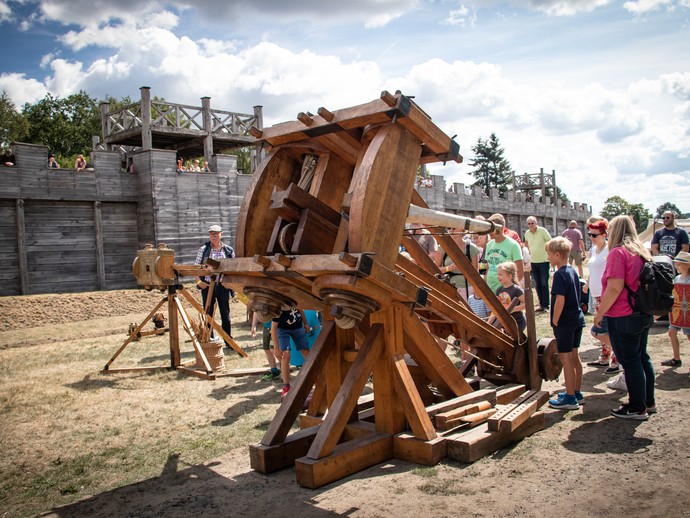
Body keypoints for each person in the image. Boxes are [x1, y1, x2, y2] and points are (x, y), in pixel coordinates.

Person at [594, 215, 655, 420]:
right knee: (642, 357)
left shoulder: (618, 253)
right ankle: (648, 401)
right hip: (642, 312)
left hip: (623, 314)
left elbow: (615, 287)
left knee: (630, 361)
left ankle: (637, 407)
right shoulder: (641, 252)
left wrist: (600, 312)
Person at [546, 237, 586, 410]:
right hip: (577, 319)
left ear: (557, 254)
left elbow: (559, 301)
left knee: (565, 358)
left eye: (548, 254)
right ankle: (576, 391)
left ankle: (570, 398)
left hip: (565, 322)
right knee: (574, 356)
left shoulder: (558, 275)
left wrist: (555, 320)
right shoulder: (573, 271)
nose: (547, 257)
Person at [583, 219, 620, 375]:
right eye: (590, 234)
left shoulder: (609, 250)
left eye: (594, 235)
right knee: (603, 327)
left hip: (605, 294)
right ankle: (605, 356)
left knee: (601, 330)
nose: (591, 237)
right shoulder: (593, 250)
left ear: (605, 235)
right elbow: (593, 269)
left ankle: (617, 357)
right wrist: (587, 284)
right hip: (595, 293)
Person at [194, 224, 235, 349]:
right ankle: (209, 339)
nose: (214, 236)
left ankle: (228, 341)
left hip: (222, 285)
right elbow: (196, 267)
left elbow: (234, 268)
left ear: (221, 234)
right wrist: (199, 282)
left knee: (225, 314)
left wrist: (231, 284)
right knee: (208, 313)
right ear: (209, 235)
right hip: (207, 285)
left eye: (216, 234)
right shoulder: (204, 249)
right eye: (212, 234)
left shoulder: (228, 250)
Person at [271, 307, 312, 399]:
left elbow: (300, 308)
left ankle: (315, 376)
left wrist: (305, 323)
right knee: (285, 355)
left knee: (306, 352)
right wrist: (276, 347)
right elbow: (273, 328)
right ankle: (286, 386)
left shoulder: (294, 300)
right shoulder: (278, 307)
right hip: (282, 330)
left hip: (297, 327)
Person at [662, 251, 690, 367]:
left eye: (679, 264)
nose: (676, 266)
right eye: (676, 264)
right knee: (672, 332)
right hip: (678, 312)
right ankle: (676, 358)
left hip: (687, 313)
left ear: (687, 265)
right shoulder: (677, 279)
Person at [484, 213, 523, 294]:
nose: (489, 232)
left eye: (492, 229)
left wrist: (511, 290)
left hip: (506, 292)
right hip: (490, 290)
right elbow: (489, 267)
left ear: (500, 228)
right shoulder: (489, 245)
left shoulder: (513, 245)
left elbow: (520, 271)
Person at [439, 230, 480, 300]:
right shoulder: (442, 247)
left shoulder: (471, 248)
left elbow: (476, 272)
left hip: (468, 288)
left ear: (462, 229)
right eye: (449, 228)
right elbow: (435, 269)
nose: (451, 230)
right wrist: (448, 268)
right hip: (449, 287)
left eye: (454, 228)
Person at [524, 216, 552, 312]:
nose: (531, 225)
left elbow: (550, 242)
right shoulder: (527, 233)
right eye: (529, 223)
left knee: (544, 283)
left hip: (544, 261)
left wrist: (548, 253)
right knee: (537, 284)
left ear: (536, 223)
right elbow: (526, 243)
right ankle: (541, 304)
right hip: (533, 261)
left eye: (532, 223)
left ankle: (546, 305)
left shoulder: (542, 231)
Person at [494, 261, 526, 331]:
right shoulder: (499, 290)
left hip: (517, 322)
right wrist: (489, 323)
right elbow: (496, 308)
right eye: (497, 274)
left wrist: (513, 309)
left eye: (500, 274)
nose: (498, 276)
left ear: (509, 276)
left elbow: (526, 304)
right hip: (505, 322)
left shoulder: (516, 289)